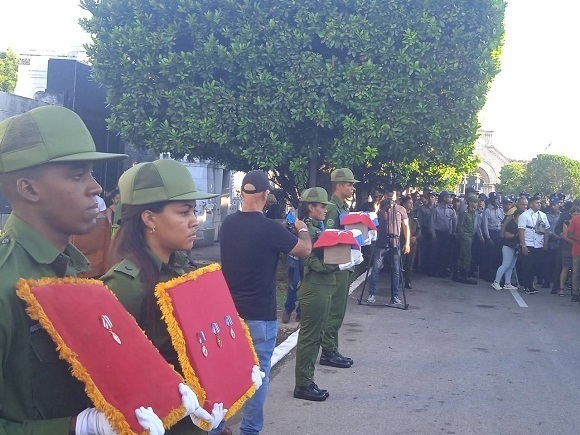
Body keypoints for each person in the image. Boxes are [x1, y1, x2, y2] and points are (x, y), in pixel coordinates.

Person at [0, 106, 176, 434]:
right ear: (29, 189)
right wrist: (74, 427)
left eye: (92, 174)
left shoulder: (73, 271)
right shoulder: (5, 282)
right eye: (78, 174)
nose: (95, 187)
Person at [101, 159, 227, 434]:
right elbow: (114, 376)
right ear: (149, 218)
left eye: (194, 210)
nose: (195, 220)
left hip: (199, 417)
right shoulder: (125, 285)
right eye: (184, 212)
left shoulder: (181, 270)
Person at [219, 170, 311, 435]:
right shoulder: (270, 228)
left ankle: (216, 426)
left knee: (224, 374)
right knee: (257, 377)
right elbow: (304, 250)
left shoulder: (227, 224)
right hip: (260, 315)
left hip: (228, 315)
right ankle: (249, 431)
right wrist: (302, 228)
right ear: (265, 195)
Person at [293, 187, 335, 402]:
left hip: (322, 286)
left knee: (316, 335)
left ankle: (307, 380)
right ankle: (303, 384)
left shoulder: (316, 227)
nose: (326, 210)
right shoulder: (306, 230)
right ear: (311, 207)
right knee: (310, 337)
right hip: (315, 287)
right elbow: (309, 259)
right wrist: (336, 264)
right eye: (322, 206)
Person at [320, 168, 358, 369]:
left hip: (344, 263)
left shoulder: (341, 206)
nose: (352, 188)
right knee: (334, 310)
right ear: (339, 185)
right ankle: (328, 350)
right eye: (350, 184)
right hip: (338, 265)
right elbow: (332, 238)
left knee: (338, 309)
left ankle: (331, 348)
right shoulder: (333, 209)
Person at [367, 189, 410, 303]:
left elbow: (406, 227)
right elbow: (373, 221)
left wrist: (407, 243)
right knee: (376, 269)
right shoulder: (380, 208)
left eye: (393, 194)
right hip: (381, 242)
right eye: (389, 194)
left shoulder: (401, 209)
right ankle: (372, 294)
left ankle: (395, 296)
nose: (391, 196)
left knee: (396, 270)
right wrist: (377, 209)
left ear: (397, 196)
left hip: (395, 242)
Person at [491, 196, 528, 290]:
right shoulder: (512, 224)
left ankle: (507, 283)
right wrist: (517, 234)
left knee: (511, 266)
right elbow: (507, 235)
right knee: (505, 265)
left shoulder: (519, 224)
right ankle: (496, 281)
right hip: (508, 246)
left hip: (514, 246)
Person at [518, 194, 550, 294]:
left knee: (536, 266)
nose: (539, 204)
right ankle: (527, 286)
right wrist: (523, 245)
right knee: (528, 266)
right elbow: (521, 231)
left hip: (539, 243)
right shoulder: (524, 215)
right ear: (531, 204)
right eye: (537, 203)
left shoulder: (543, 215)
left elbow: (546, 230)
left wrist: (545, 243)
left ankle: (531, 284)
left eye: (540, 203)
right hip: (529, 243)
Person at [453, 195, 478, 285]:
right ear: (470, 203)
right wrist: (463, 236)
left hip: (470, 236)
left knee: (463, 256)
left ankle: (459, 274)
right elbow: (460, 226)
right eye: (475, 202)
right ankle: (464, 275)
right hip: (465, 237)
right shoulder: (465, 212)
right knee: (467, 256)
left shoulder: (473, 213)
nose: (476, 204)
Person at [559, 206, 580, 298]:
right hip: (574, 249)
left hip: (575, 248)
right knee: (574, 271)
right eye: (574, 214)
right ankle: (573, 292)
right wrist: (577, 240)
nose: (576, 215)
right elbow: (567, 234)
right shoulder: (574, 221)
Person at [401, 195, 420, 289]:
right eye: (409, 203)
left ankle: (408, 281)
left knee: (410, 262)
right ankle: (399, 280)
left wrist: (415, 237)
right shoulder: (400, 215)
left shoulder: (414, 215)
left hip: (412, 242)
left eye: (412, 203)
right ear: (404, 204)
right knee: (401, 261)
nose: (411, 205)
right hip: (402, 241)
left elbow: (419, 229)